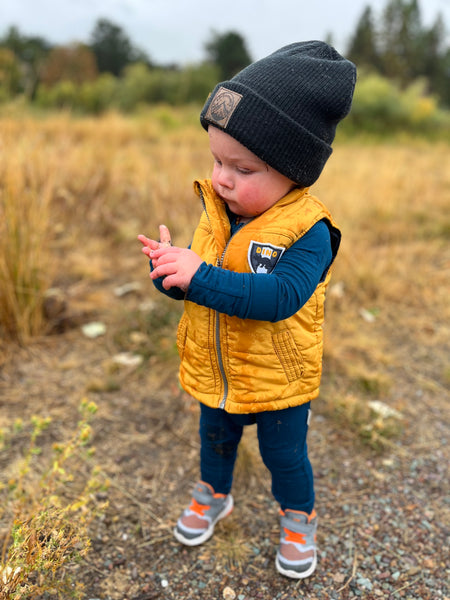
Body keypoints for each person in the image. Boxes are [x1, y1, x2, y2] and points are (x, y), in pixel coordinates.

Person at [138, 41, 356, 579]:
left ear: (293, 172)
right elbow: (200, 284)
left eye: (243, 168)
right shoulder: (218, 211)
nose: (222, 179)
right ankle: (215, 493)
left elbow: (278, 299)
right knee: (214, 440)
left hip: (279, 377)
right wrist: (173, 273)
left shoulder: (310, 231)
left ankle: (298, 517)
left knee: (285, 458)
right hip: (216, 367)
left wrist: (200, 275)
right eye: (216, 160)